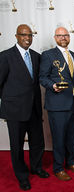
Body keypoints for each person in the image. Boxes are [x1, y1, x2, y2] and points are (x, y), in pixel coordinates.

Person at [0, 24, 49, 191]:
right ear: (16, 36)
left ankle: (36, 168)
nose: (27, 38)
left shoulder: (36, 56)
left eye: (30, 35)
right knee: (17, 146)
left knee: (37, 143)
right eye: (23, 35)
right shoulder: (5, 56)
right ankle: (22, 176)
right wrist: (9, 103)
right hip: (15, 111)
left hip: (34, 109)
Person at [40, 27, 74, 181]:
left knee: (71, 136)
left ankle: (71, 162)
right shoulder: (48, 55)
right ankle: (58, 167)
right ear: (55, 37)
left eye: (65, 35)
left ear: (69, 37)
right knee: (58, 138)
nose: (63, 37)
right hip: (57, 104)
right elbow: (43, 77)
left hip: (73, 103)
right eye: (60, 35)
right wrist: (53, 86)